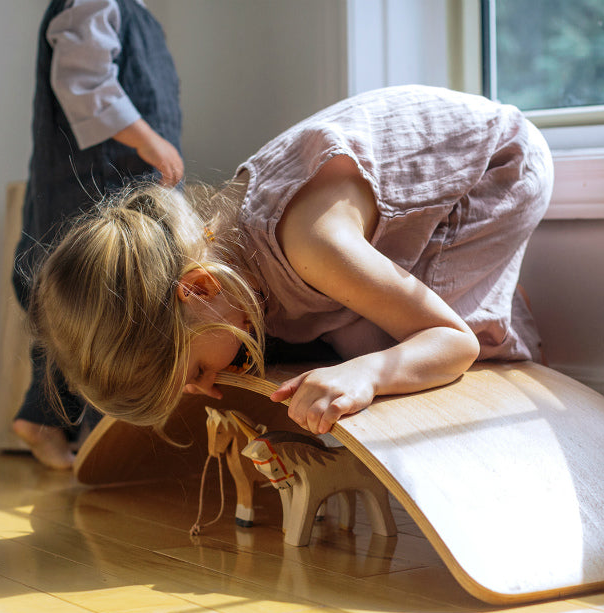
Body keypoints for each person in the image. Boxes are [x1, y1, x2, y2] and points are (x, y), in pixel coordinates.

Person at [28, 85, 553, 439]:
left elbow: (451, 344)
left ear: (200, 288)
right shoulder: (221, 266)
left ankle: (495, 313)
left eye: (197, 370)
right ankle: (457, 291)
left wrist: (368, 374)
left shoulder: (312, 248)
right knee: (343, 338)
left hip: (496, 164)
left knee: (397, 352)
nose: (204, 386)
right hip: (380, 200)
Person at [11, 0, 183, 469]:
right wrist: (147, 138)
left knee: (96, 307)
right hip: (94, 189)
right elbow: (83, 79)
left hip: (107, 189)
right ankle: (98, 439)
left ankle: (49, 417)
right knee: (102, 304)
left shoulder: (135, 14)